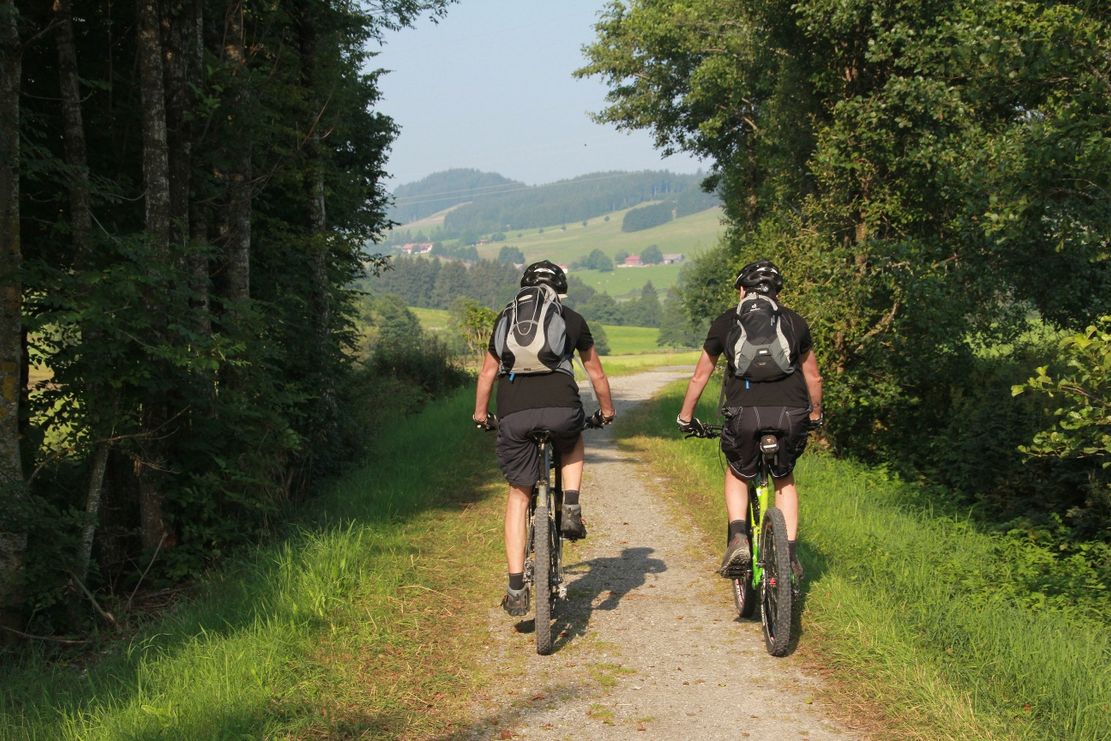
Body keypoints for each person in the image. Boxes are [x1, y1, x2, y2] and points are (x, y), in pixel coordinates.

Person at [473, 260, 616, 617]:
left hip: (514, 411)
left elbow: (488, 372)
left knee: (519, 497)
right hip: (561, 405)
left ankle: (517, 586)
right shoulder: (571, 319)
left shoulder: (506, 318)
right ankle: (570, 505)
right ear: (560, 291)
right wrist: (606, 410)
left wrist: (480, 414)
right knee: (573, 437)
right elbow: (595, 373)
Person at [675, 259, 823, 580]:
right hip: (790, 414)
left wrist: (686, 417)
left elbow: (701, 376)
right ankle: (791, 556)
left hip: (744, 416)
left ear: (742, 290)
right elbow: (814, 377)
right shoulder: (795, 323)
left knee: (738, 472)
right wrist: (814, 414)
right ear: (777, 293)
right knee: (784, 478)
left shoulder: (726, 322)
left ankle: (740, 536)